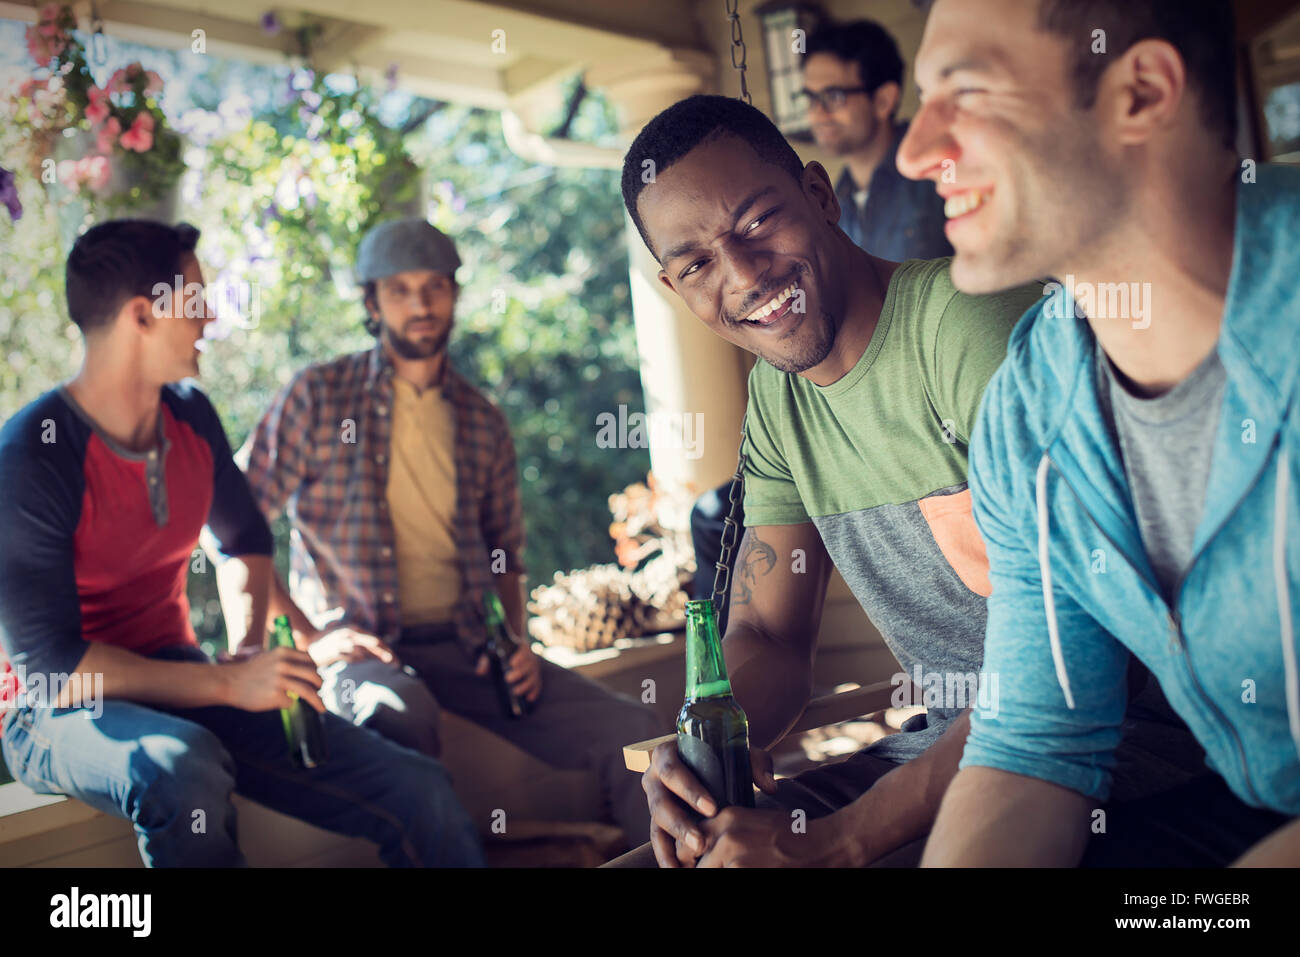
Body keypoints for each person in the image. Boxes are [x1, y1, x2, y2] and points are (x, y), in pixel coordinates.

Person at [606, 94, 1209, 868]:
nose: (744, 275)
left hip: (1114, 761)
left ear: (819, 197)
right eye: (696, 264)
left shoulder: (971, 326)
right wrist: (713, 742)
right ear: (673, 287)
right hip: (942, 756)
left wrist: (837, 843)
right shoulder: (779, 397)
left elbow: (1073, 664)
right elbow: (767, 635)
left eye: (757, 223)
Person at [895, 0, 1299, 865]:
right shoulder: (1027, 415)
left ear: (1141, 92)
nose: (915, 149)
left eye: (964, 89)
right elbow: (1033, 751)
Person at [0, 219, 483, 867]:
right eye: (196, 299)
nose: (210, 317)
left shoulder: (191, 415)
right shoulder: (33, 454)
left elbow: (244, 538)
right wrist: (228, 685)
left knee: (417, 785)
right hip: (52, 711)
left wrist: (251, 647)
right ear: (143, 315)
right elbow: (50, 668)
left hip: (180, 675)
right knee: (181, 764)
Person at [231, 218, 660, 851]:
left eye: (435, 286)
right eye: (400, 290)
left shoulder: (482, 420)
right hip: (362, 652)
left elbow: (504, 555)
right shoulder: (317, 397)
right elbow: (237, 525)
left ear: (454, 295)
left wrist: (513, 641)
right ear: (371, 303)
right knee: (401, 714)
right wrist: (311, 637)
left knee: (641, 733)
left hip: (469, 646)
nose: (421, 304)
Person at [689, 18, 954, 630]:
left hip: (930, 401)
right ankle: (716, 682)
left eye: (834, 95)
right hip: (850, 408)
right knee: (715, 516)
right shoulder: (855, 194)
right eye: (810, 98)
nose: (819, 111)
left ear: (884, 99)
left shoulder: (929, 179)